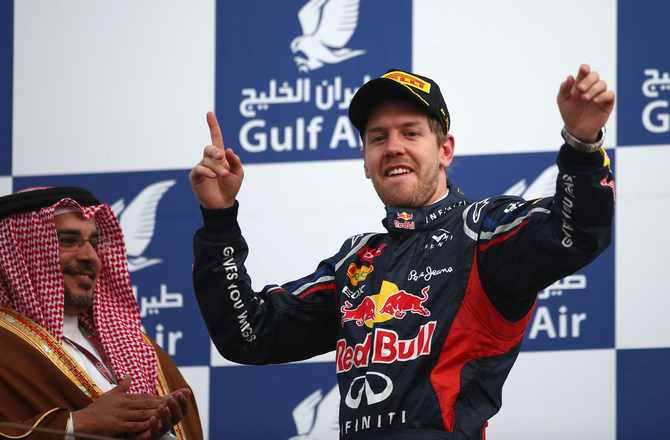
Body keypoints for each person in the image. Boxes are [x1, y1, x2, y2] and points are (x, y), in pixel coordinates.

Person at [189, 65, 615, 439]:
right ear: (365, 160)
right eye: (378, 138)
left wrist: (582, 145)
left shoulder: (482, 233)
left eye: (411, 132)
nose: (393, 146)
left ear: (445, 150)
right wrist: (219, 216)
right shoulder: (353, 262)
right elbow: (248, 334)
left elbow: (575, 232)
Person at [0, 187, 203, 440]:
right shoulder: (5, 346)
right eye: (67, 241)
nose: (90, 256)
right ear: (22, 253)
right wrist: (76, 425)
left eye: (94, 243)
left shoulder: (140, 349)